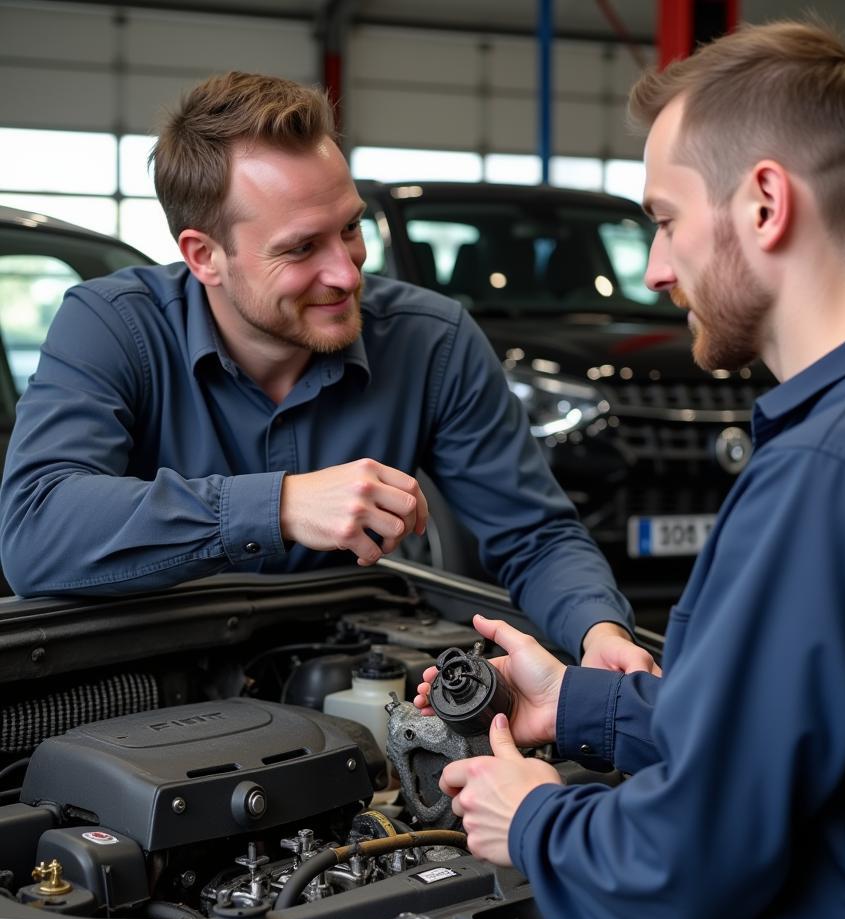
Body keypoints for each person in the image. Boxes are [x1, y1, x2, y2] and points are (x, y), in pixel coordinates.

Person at [417, 21, 845, 919]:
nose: (655, 266)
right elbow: (838, 737)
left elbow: (672, 868)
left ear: (765, 202)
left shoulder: (832, 476)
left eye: (664, 219)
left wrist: (528, 814)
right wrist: (580, 706)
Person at [0, 71, 652, 673]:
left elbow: (534, 537)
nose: (346, 272)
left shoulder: (433, 341)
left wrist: (600, 633)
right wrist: (278, 506)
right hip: (153, 690)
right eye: (302, 248)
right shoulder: (114, 326)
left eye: (351, 229)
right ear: (205, 256)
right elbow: (36, 533)